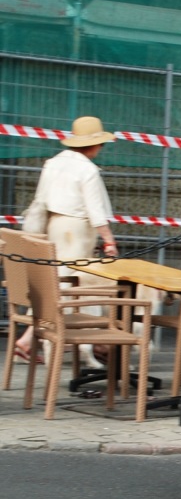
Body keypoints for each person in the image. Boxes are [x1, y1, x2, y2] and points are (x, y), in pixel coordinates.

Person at [15, 116, 118, 364]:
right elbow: (96, 211)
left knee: (54, 284)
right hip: (76, 232)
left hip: (54, 226)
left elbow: (40, 200)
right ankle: (37, 341)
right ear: (94, 145)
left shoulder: (53, 163)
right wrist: (109, 241)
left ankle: (29, 340)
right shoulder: (88, 170)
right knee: (66, 287)